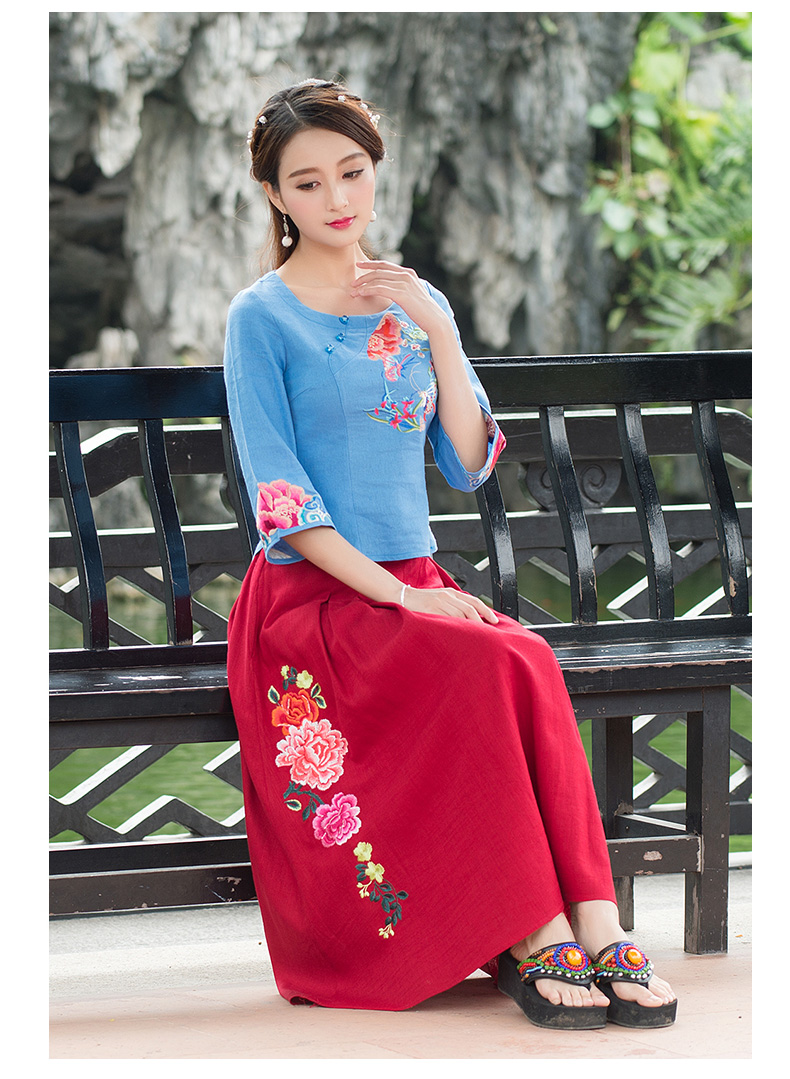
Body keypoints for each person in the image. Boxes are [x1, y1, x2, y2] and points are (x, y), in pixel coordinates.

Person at [224, 78, 677, 1029]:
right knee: (492, 660)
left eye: (352, 172)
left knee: (526, 656)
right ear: (275, 194)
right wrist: (400, 597)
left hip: (415, 585)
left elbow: (468, 462)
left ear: (376, 171)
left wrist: (436, 328)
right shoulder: (261, 318)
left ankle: (597, 922)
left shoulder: (417, 300)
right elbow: (283, 503)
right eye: (308, 182)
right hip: (314, 602)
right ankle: (533, 931)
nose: (337, 197)